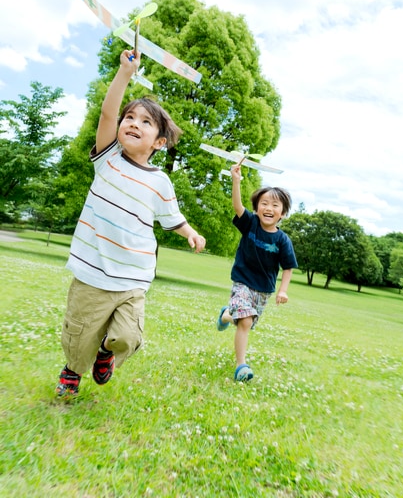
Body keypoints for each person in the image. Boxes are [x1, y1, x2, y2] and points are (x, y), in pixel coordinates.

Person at [56, 49, 206, 397]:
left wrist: (191, 232)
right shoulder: (108, 158)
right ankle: (73, 371)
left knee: (127, 336)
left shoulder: (159, 182)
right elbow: (108, 111)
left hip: (133, 277)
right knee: (79, 335)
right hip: (92, 272)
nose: (133, 123)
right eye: (130, 118)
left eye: (145, 121)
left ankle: (106, 353)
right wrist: (125, 72)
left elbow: (172, 217)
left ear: (159, 142)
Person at [217, 163, 297, 382]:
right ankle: (241, 366)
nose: (268, 208)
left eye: (274, 205)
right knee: (244, 321)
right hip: (242, 282)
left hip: (263, 291)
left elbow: (288, 267)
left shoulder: (282, 240)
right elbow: (237, 207)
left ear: (283, 212)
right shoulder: (250, 224)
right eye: (264, 203)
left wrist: (284, 290)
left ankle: (226, 314)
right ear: (257, 208)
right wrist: (236, 181)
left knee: (245, 320)